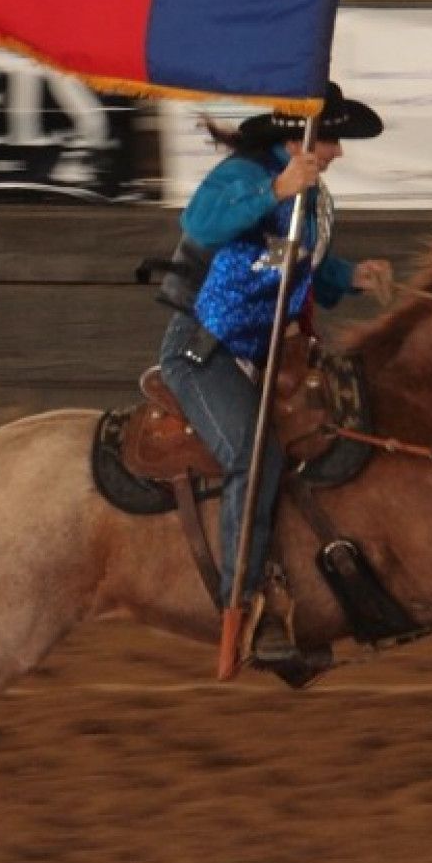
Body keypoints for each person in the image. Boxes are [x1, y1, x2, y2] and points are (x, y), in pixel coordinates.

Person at [157, 82, 393, 664]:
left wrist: (352, 278)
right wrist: (274, 188)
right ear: (299, 137)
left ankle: (296, 588)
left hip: (255, 351)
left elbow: (292, 261)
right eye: (332, 137)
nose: (337, 152)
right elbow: (202, 221)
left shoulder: (305, 196)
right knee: (252, 454)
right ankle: (241, 599)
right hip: (202, 350)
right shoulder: (245, 176)